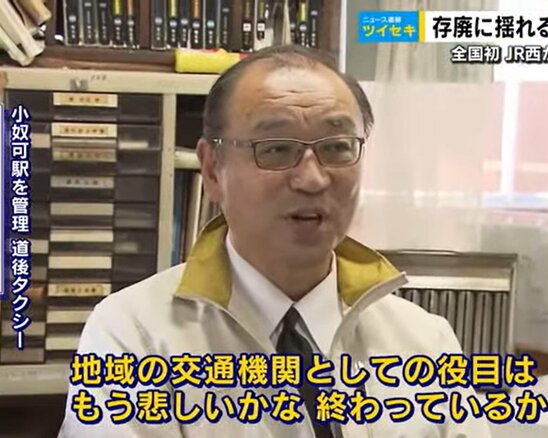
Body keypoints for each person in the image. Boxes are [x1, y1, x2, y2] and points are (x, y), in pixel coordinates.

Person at [59, 44, 492, 438]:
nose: (312, 178)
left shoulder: (424, 342)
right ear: (212, 169)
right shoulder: (133, 335)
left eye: (337, 147)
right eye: (276, 148)